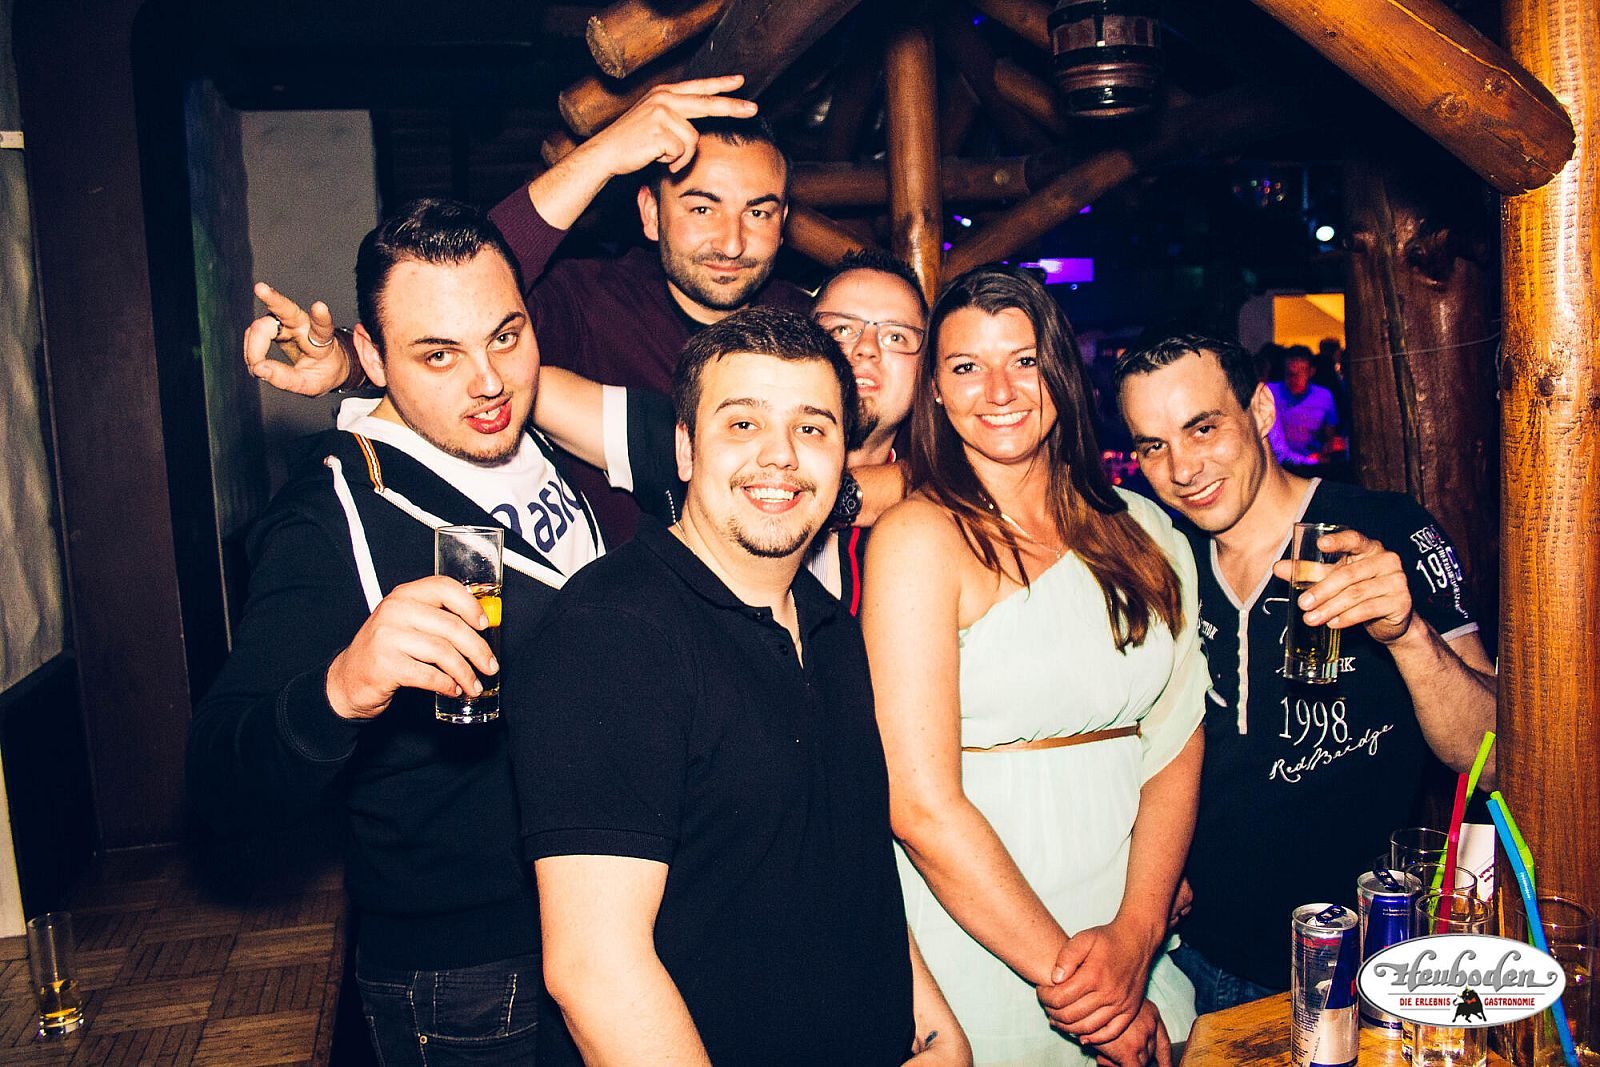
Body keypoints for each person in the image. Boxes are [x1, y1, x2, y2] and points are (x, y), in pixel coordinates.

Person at [189, 198, 602, 1064]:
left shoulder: (514, 436)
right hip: (475, 977)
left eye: (506, 336)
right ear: (374, 358)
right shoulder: (328, 517)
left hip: (597, 923)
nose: (488, 382)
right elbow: (218, 778)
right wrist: (343, 687)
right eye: (438, 354)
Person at [507, 306, 970, 1066]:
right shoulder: (613, 631)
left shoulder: (829, 623)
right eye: (743, 424)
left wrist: (933, 1027)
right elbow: (595, 971)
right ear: (685, 449)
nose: (780, 456)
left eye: (812, 428)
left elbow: (850, 865)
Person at [863, 265, 1206, 1066]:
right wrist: (1091, 998)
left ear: (1061, 371)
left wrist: (1136, 935)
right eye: (966, 366)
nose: (999, 390)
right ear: (935, 391)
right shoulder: (918, 538)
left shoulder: (1147, 530)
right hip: (985, 938)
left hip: (1132, 925)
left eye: (1023, 360)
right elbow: (920, 806)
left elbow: (1176, 739)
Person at [247, 75, 809, 542]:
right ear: (650, 213)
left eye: (758, 213)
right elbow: (463, 287)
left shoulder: (810, 323)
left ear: (783, 223)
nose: (732, 242)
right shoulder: (585, 300)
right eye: (702, 209)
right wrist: (602, 157)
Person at [1112, 334, 1497, 1011]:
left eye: (1204, 428)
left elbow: (1495, 760)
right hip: (1189, 960)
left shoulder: (1384, 533)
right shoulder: (1165, 559)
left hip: (1356, 965)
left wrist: (1408, 635)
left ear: (1260, 411)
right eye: (1153, 446)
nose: (1183, 468)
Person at [250, 248, 924, 612]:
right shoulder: (716, 444)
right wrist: (357, 366)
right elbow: (497, 362)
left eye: (896, 336)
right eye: (839, 329)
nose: (863, 351)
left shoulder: (957, 497)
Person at [1266, 345, 1342, 465]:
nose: (1293, 379)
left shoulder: (1324, 396)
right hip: (1278, 465)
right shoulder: (1271, 392)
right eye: (1289, 374)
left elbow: (1330, 438)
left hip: (1313, 464)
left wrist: (1324, 453)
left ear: (1311, 372)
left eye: (1299, 373)